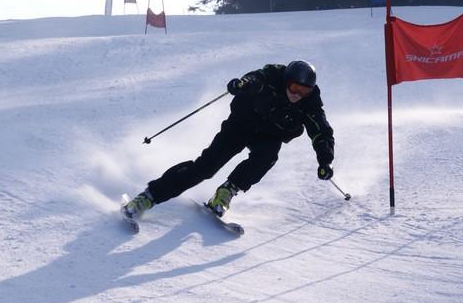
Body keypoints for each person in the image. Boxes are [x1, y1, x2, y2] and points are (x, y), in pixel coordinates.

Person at [123, 60, 335, 222]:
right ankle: (148, 197)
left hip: (270, 134)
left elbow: (321, 130)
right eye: (294, 87)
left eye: (304, 90)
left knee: (267, 156)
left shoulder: (311, 102)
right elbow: (255, 78)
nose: (298, 94)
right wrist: (242, 84)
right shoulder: (272, 76)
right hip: (241, 125)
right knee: (205, 168)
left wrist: (325, 160)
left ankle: (226, 191)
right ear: (286, 80)